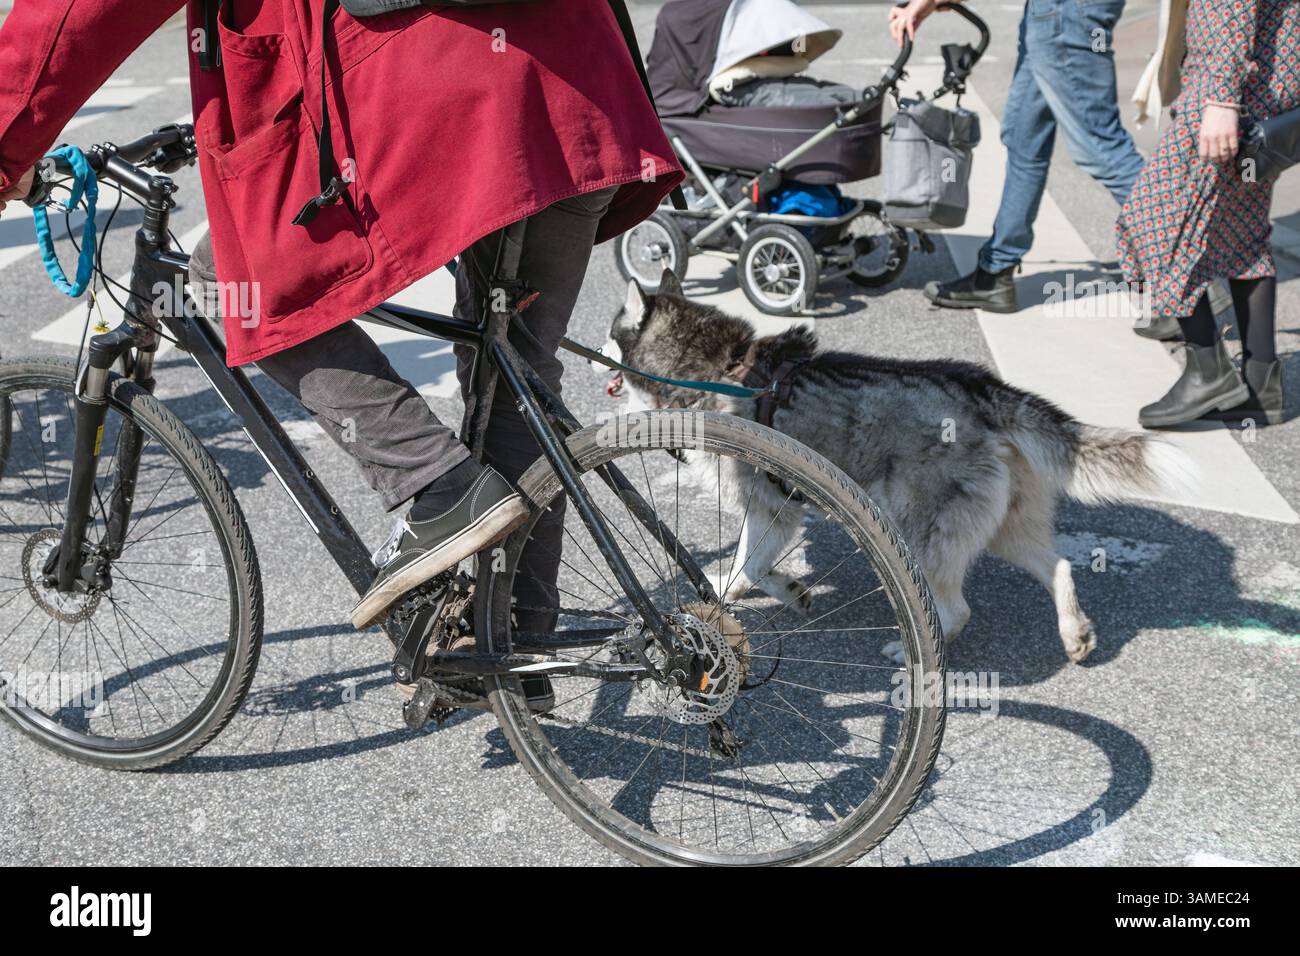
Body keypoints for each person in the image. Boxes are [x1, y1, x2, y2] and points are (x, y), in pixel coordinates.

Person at [0, 1, 683, 638]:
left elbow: (78, 12)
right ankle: (511, 646)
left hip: (441, 80)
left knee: (229, 287)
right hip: (579, 74)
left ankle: (437, 486)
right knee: (516, 372)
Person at [891, 0, 1144, 313]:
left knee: (1102, 148)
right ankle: (996, 271)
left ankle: (1195, 268)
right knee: (1025, 138)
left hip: (1066, 17)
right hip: (1055, 15)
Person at [1117, 0, 1297, 429]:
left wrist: (1221, 97)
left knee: (1148, 222)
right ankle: (1260, 385)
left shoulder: (1223, 89)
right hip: (1266, 73)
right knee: (1242, 235)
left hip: (1233, 85)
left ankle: (1208, 370)